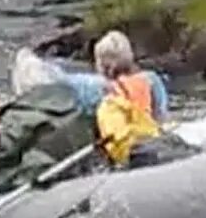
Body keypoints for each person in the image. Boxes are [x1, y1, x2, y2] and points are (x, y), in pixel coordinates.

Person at [69, 31, 177, 168]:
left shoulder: (101, 90)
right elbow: (161, 117)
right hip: (155, 143)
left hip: (131, 155)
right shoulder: (151, 80)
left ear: (102, 65)